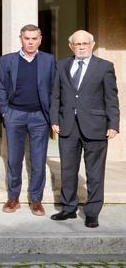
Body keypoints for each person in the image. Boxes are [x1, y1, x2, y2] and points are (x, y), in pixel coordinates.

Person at [49, 30, 119, 228]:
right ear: (71, 46)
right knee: (68, 170)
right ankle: (69, 208)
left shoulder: (104, 67)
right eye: (77, 44)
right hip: (67, 126)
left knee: (95, 173)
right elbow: (55, 95)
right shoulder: (61, 65)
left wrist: (113, 124)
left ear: (92, 44)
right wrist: (54, 120)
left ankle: (92, 212)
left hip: (96, 127)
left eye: (85, 44)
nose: (81, 47)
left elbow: (111, 98)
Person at [0, 23, 55, 216]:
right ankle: (13, 198)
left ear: (40, 39)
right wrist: (5, 112)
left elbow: (55, 90)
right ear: (21, 39)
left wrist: (51, 116)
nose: (30, 42)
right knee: (14, 159)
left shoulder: (49, 60)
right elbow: (0, 88)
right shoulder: (7, 60)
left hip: (40, 117)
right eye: (27, 38)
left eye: (34, 38)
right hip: (15, 115)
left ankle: (36, 200)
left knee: (38, 160)